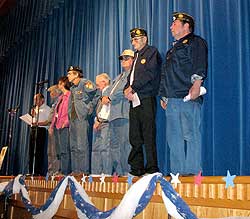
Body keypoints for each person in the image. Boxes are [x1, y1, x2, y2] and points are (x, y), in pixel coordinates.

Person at [159, 12, 208, 175]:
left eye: (174, 24)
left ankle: (193, 171)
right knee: (173, 138)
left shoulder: (196, 42)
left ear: (186, 25)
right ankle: (177, 173)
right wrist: (164, 95)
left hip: (187, 96)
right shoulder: (172, 49)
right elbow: (166, 74)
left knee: (191, 134)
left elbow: (199, 63)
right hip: (172, 99)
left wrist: (197, 84)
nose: (171, 27)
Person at [124, 28, 162, 176]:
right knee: (134, 135)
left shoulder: (151, 52)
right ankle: (136, 168)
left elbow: (150, 73)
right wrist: (126, 89)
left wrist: (133, 88)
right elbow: (131, 77)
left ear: (144, 39)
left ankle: (152, 168)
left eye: (136, 40)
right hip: (134, 100)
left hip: (146, 98)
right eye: (132, 40)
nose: (133, 43)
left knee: (148, 133)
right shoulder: (136, 57)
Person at [101, 49, 134, 176]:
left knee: (125, 143)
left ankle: (127, 171)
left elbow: (123, 91)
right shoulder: (118, 77)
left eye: (126, 58)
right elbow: (109, 91)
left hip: (123, 112)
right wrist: (105, 97)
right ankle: (119, 171)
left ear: (133, 60)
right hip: (113, 115)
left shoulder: (132, 74)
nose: (123, 61)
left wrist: (110, 97)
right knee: (114, 145)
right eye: (122, 59)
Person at [67, 66, 100, 174]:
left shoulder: (85, 83)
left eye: (70, 73)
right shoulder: (72, 88)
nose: (68, 76)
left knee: (82, 145)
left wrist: (89, 108)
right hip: (73, 119)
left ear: (76, 74)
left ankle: (83, 171)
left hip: (81, 118)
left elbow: (97, 94)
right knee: (74, 146)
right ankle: (75, 170)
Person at [49, 76, 71, 175]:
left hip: (64, 126)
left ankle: (65, 171)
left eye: (59, 83)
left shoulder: (70, 95)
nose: (58, 85)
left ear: (63, 83)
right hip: (57, 126)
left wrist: (66, 122)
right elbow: (55, 113)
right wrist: (51, 126)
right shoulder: (61, 97)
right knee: (58, 150)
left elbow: (70, 111)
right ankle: (60, 169)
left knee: (64, 150)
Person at [91, 73, 111, 174]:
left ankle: (105, 172)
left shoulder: (109, 91)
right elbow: (100, 109)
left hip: (105, 122)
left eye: (98, 84)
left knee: (104, 148)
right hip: (100, 122)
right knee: (96, 149)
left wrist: (99, 120)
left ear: (104, 82)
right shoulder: (101, 93)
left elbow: (107, 108)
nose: (97, 86)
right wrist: (96, 120)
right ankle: (96, 173)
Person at [29, 93, 51, 176]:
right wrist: (32, 117)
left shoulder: (47, 108)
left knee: (38, 151)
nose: (35, 101)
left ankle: (38, 172)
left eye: (37, 99)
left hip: (41, 130)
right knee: (31, 151)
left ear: (42, 100)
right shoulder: (35, 109)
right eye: (34, 99)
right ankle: (31, 171)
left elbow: (49, 121)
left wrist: (38, 123)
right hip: (33, 130)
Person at [47, 85, 61, 174]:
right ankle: (51, 171)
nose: (50, 95)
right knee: (50, 152)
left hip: (56, 128)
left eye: (52, 92)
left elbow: (58, 116)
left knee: (55, 152)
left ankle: (56, 171)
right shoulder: (54, 103)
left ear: (57, 92)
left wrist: (52, 126)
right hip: (51, 128)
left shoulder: (59, 102)